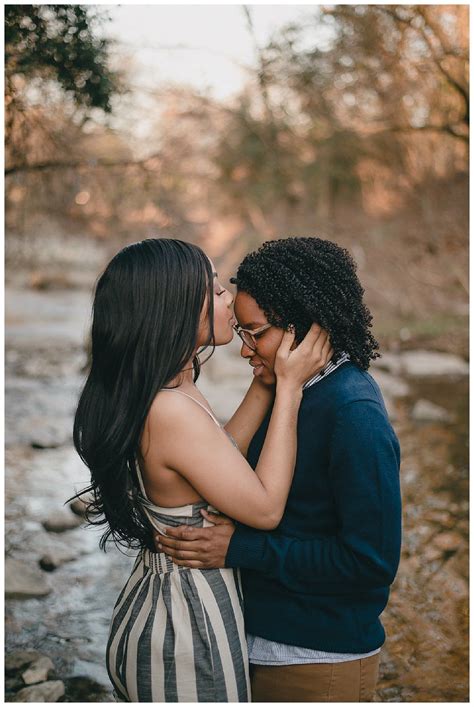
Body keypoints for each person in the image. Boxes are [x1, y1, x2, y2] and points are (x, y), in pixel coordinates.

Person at [73, 237, 333, 702]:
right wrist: (290, 390)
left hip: (167, 604)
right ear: (172, 309)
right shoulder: (168, 411)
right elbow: (265, 507)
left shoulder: (169, 384)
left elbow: (216, 461)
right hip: (187, 628)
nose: (229, 298)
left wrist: (263, 383)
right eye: (215, 292)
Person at [156, 236, 402, 703]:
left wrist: (242, 548)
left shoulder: (353, 413)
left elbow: (371, 563)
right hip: (263, 643)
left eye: (256, 332)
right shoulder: (291, 390)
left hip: (317, 658)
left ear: (303, 328)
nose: (246, 348)